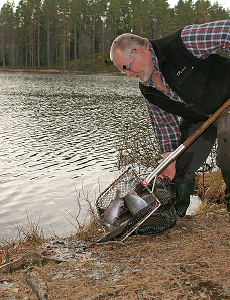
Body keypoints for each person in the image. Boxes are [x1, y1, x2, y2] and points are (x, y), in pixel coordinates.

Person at [110, 20, 230, 220]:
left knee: (228, 143)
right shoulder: (148, 88)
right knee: (180, 164)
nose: (128, 74)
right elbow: (164, 126)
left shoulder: (185, 41)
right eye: (123, 71)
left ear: (138, 52)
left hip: (227, 101)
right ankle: (176, 215)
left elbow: (227, 31)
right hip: (199, 118)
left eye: (126, 67)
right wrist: (169, 159)